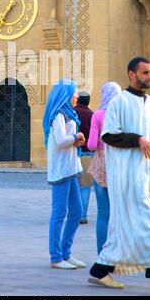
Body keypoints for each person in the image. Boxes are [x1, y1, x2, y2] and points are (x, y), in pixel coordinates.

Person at [88, 57, 150, 294]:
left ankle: (100, 270)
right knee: (146, 220)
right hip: (125, 176)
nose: (149, 77)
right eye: (144, 73)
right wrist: (137, 140)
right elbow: (109, 136)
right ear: (132, 75)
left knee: (123, 226)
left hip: (145, 174)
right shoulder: (119, 102)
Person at [43, 79, 86, 270]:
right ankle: (56, 257)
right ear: (66, 95)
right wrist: (76, 137)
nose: (77, 95)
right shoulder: (58, 115)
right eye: (75, 92)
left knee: (76, 211)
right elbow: (60, 140)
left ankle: (65, 253)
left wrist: (76, 140)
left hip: (70, 169)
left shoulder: (69, 113)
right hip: (61, 170)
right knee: (59, 213)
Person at [87, 82, 122, 255]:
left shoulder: (98, 115)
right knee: (119, 212)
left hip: (100, 166)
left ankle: (102, 254)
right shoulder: (123, 115)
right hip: (120, 167)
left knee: (103, 213)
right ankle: (117, 252)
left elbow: (92, 145)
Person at [74, 91, 94, 224]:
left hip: (73, 152)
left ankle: (72, 214)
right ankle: (83, 216)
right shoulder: (92, 114)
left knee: (72, 185)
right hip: (88, 153)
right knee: (85, 186)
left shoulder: (72, 112)